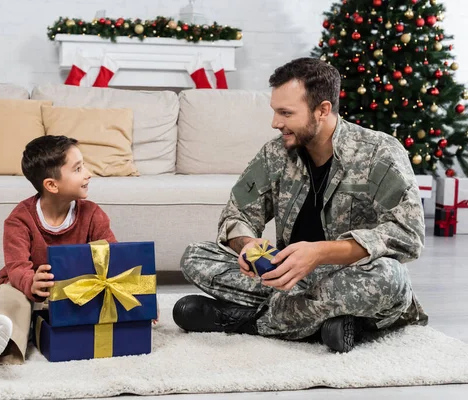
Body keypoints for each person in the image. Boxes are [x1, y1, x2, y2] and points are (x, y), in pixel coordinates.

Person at [172, 57, 428, 353]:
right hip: (284, 277)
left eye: (286, 113)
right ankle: (331, 323)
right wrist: (246, 245)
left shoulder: (380, 153)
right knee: (195, 255)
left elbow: (408, 235)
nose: (275, 122)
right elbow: (237, 212)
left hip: (348, 277)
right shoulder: (275, 153)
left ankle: (247, 322)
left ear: (323, 110)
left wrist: (319, 253)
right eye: (275, 111)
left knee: (390, 279)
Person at [0, 135, 116, 378]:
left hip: (74, 292)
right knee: (9, 298)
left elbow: (114, 257)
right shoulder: (19, 219)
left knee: (103, 294)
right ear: (51, 185)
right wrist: (31, 283)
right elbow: (16, 266)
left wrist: (138, 296)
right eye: (78, 169)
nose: (88, 174)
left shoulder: (93, 215)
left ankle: (31, 328)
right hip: (27, 289)